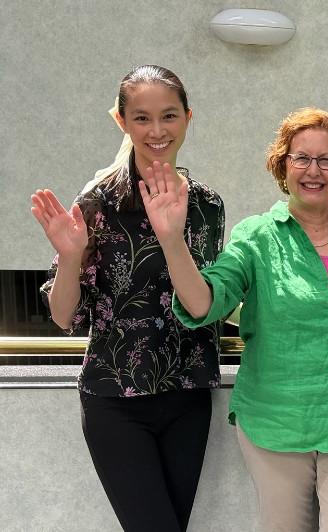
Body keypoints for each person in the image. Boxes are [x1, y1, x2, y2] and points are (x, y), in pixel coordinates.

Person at [139, 107, 328, 532]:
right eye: (301, 158)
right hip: (276, 422)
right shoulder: (256, 236)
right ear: (283, 165)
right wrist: (171, 241)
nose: (313, 171)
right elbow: (205, 304)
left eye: (326, 159)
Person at [30, 65, 225, 531]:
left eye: (169, 116)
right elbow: (64, 315)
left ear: (188, 118)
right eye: (141, 118)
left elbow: (201, 307)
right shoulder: (97, 202)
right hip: (114, 398)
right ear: (122, 121)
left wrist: (171, 238)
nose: (157, 131)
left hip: (187, 392)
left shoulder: (206, 205)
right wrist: (70, 257)